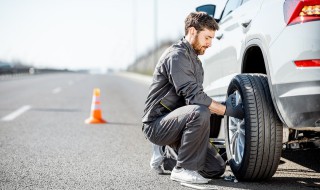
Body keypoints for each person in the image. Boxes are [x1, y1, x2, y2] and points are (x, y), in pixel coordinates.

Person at [142, 12, 244, 184]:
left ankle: (166, 157)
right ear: (192, 31)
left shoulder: (196, 62)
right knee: (199, 112)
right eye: (207, 38)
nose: (210, 44)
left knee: (215, 168)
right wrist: (226, 110)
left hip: (177, 123)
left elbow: (192, 101)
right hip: (156, 124)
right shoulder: (177, 56)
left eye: (212, 38)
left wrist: (220, 106)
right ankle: (183, 169)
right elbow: (195, 99)